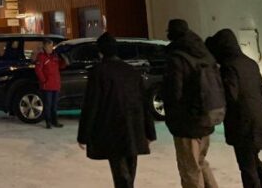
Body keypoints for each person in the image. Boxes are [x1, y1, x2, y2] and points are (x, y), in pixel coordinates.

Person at [77, 33, 156, 188]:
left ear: (100, 52)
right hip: (134, 126)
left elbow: (91, 104)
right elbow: (144, 103)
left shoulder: (98, 72)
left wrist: (83, 135)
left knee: (121, 173)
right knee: (129, 171)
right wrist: (149, 131)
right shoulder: (132, 72)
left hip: (112, 128)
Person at [206, 29, 262, 188]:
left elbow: (230, 95)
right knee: (253, 161)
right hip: (259, 119)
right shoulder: (250, 62)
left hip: (242, 123)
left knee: (247, 166)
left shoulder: (228, 66)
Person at [163, 19, 221, 188]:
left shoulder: (177, 57)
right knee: (201, 162)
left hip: (186, 123)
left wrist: (173, 119)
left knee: (189, 169)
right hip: (207, 116)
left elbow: (174, 92)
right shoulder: (204, 53)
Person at [34, 38, 67, 128]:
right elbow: (38, 70)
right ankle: (48, 122)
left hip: (55, 85)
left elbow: (60, 66)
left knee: (54, 105)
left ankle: (55, 121)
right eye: (49, 46)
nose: (51, 48)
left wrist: (64, 61)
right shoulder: (41, 56)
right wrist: (44, 80)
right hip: (47, 86)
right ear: (44, 46)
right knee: (48, 105)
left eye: (52, 46)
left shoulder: (55, 56)